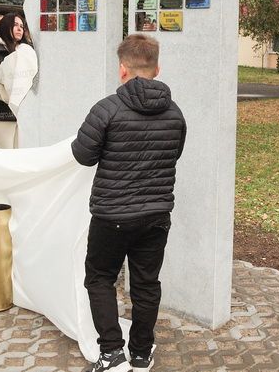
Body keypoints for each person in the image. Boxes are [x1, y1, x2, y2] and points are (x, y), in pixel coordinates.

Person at [71, 34, 187, 372]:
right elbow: (173, 154)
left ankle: (111, 354)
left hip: (112, 215)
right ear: (157, 68)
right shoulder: (175, 113)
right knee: (146, 284)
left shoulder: (106, 109)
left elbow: (83, 155)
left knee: (99, 278)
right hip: (156, 215)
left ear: (122, 69)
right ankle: (141, 353)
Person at [0, 12, 36, 148]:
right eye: (15, 25)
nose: (19, 28)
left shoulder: (25, 52)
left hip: (20, 119)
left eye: (22, 26)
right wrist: (15, 99)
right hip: (0, 119)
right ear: (5, 26)